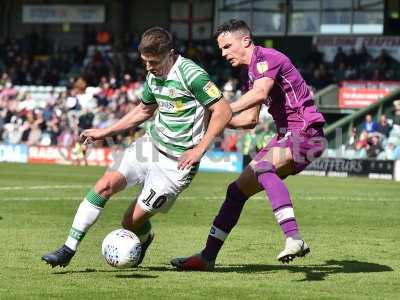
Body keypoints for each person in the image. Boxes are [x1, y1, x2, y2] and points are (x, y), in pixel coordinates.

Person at [41, 27, 232, 268]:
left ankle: (144, 238)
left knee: (130, 223)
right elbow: (144, 110)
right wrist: (106, 131)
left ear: (170, 54)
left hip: (177, 165)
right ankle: (67, 249)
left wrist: (199, 149)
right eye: (145, 62)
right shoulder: (153, 75)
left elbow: (223, 110)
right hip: (149, 146)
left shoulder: (192, 74)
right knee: (104, 185)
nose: (149, 67)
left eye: (153, 62)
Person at [171, 19, 326, 271]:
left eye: (227, 46)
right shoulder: (249, 72)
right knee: (236, 191)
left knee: (264, 168)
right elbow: (249, 120)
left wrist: (220, 108)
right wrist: (219, 119)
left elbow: (259, 94)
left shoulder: (268, 58)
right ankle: (207, 257)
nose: (223, 53)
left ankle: (294, 237)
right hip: (286, 135)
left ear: (245, 40)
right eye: (221, 48)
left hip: (306, 131)